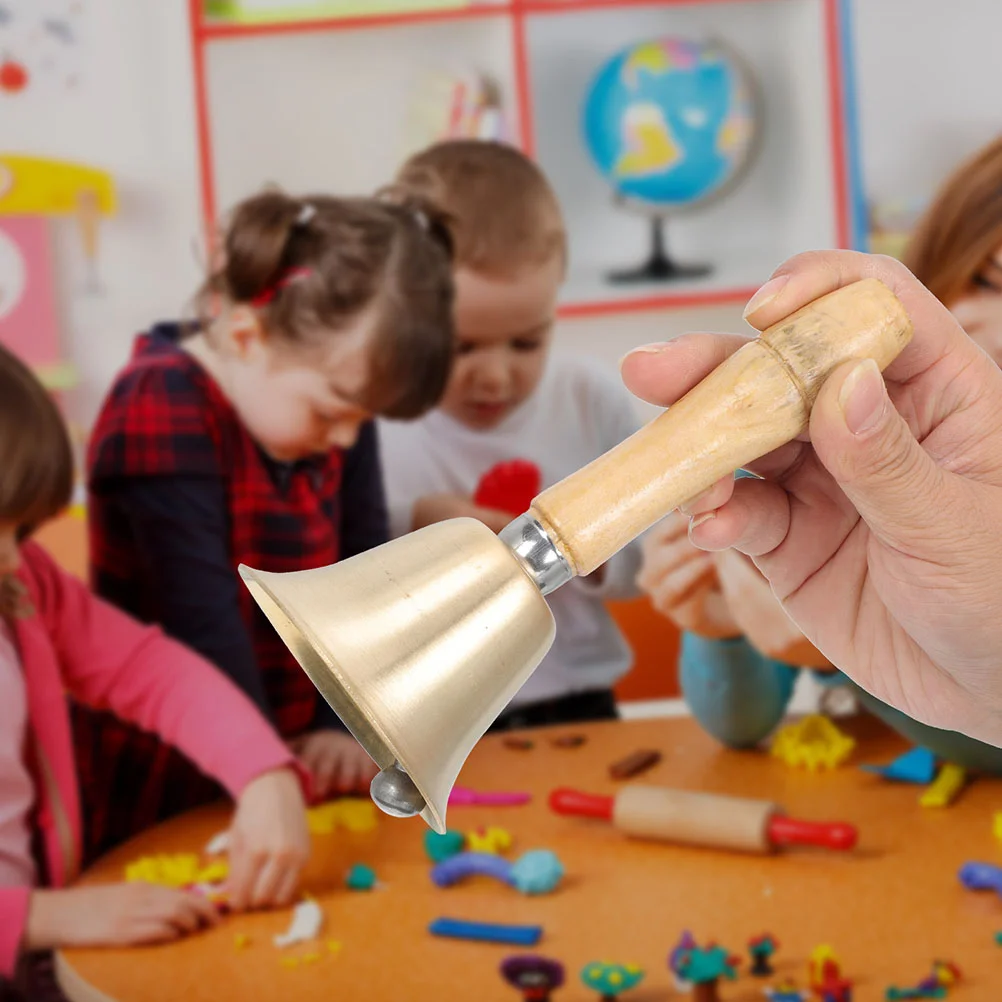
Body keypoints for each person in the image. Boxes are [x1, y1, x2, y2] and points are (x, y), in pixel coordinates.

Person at [81, 190, 455, 857]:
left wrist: (342, 727)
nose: (346, 440)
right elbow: (199, 623)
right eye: (334, 411)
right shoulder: (159, 402)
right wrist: (265, 767)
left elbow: (359, 580)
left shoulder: (333, 406)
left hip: (292, 768)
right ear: (248, 337)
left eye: (364, 419)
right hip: (176, 783)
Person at [638, 140, 1002, 769]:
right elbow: (739, 722)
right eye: (985, 279)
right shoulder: (842, 439)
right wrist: (719, 626)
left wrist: (859, 665)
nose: (989, 321)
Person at [0, 345, 311, 1001]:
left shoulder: (23, 585)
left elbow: (148, 669)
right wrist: (41, 917)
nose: (9, 558)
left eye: (20, 530)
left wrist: (263, 773)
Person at [378, 140, 643, 729]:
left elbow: (648, 556)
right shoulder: (373, 419)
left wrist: (587, 551)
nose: (495, 376)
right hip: (430, 718)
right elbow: (344, 571)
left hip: (577, 702)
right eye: (460, 347)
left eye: (527, 343)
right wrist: (418, 521)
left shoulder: (587, 397)